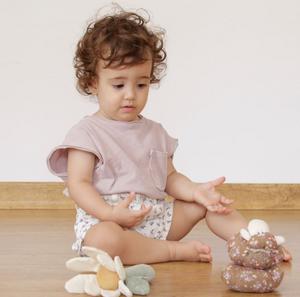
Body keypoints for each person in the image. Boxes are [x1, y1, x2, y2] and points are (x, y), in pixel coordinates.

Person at [47, 6, 291, 265]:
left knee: (210, 204)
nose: (130, 94)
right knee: (103, 241)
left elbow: (170, 178)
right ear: (93, 83)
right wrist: (110, 214)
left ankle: (257, 243)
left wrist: (196, 192)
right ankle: (173, 252)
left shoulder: (154, 131)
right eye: (118, 85)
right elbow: (79, 184)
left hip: (154, 219)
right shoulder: (86, 133)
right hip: (107, 221)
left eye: (141, 84)